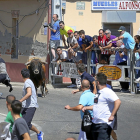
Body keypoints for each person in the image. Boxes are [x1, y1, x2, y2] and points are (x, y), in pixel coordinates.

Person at [82, 73, 121, 140]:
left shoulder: (107, 91)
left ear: (98, 82)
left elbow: (118, 101)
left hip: (104, 123)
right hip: (95, 123)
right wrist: (86, 107)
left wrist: (112, 115)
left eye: (95, 80)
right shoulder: (99, 92)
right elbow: (96, 106)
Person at [20, 68, 43, 140]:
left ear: (21, 75)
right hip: (25, 106)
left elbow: (29, 93)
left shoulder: (27, 82)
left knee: (25, 124)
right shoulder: (29, 81)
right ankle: (39, 132)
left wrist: (20, 100)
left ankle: (32, 136)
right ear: (29, 75)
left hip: (31, 106)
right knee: (21, 122)